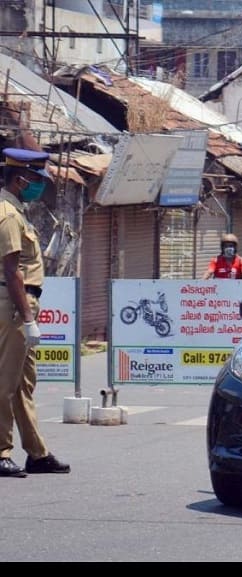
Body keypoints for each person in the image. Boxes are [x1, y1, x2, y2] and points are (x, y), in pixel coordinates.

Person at [0, 148, 70, 477]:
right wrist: (27, 318)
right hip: (14, 306)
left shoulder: (18, 210)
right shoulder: (7, 213)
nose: (40, 185)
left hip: (23, 304)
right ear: (21, 179)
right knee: (5, 382)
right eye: (36, 179)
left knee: (24, 383)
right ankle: (1, 451)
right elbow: (12, 269)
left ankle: (37, 452)